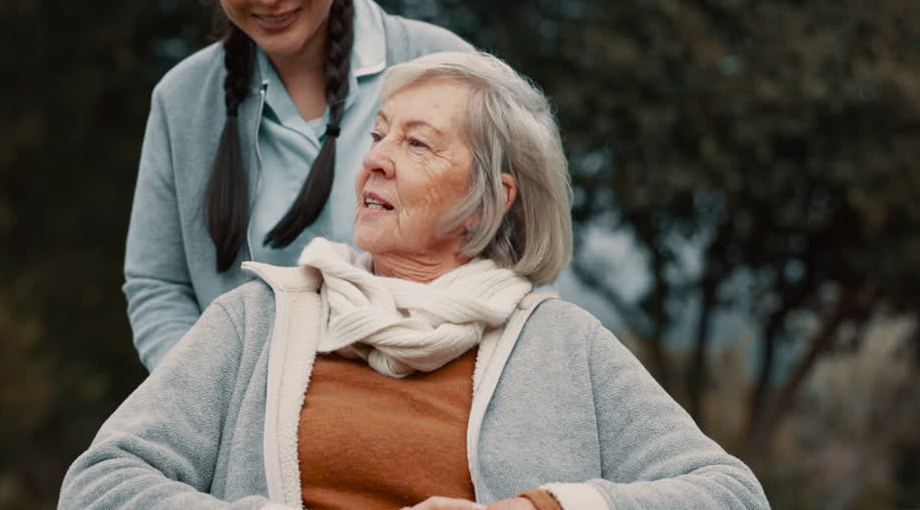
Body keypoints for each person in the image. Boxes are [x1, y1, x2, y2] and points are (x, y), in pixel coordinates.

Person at [61, 52, 770, 510]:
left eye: (417, 144)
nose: (374, 161)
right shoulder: (259, 319)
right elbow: (99, 485)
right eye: (377, 136)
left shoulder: (561, 344)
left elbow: (732, 495)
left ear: (491, 200)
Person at [124, 0, 472, 370]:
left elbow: (513, 258)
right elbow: (158, 284)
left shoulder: (447, 73)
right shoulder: (182, 101)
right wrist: (208, 402)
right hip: (248, 440)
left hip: (423, 426)